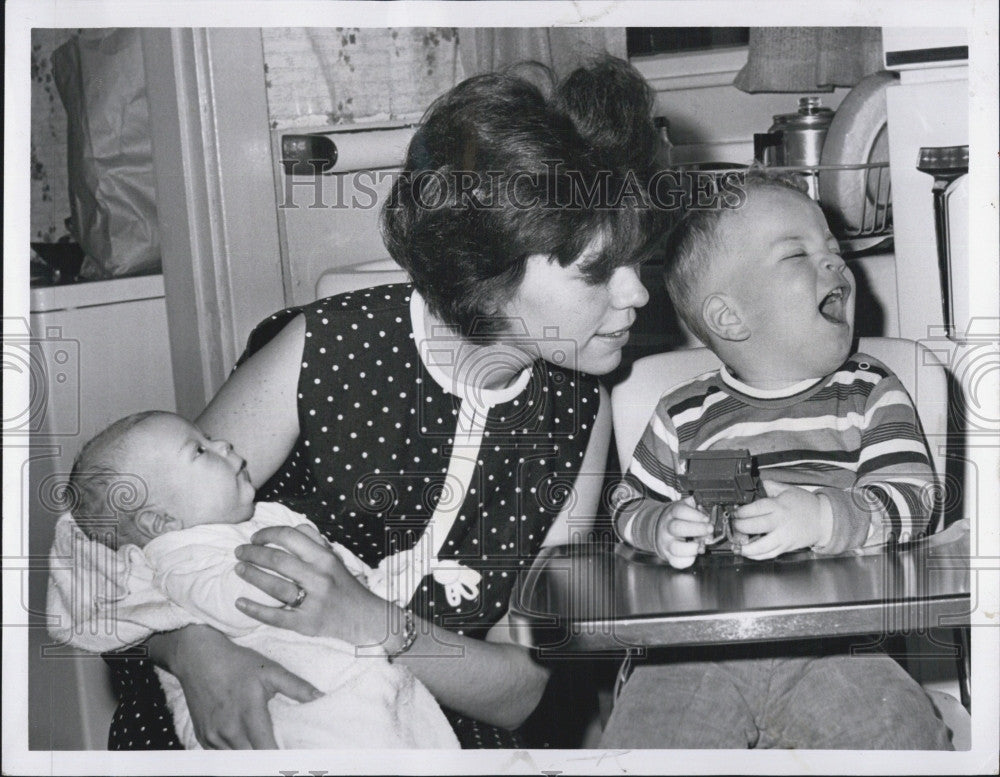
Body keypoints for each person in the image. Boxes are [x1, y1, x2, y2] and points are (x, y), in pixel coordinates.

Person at [101, 55, 670, 749]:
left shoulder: (582, 408)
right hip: (237, 726)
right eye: (599, 272)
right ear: (489, 272)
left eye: (637, 259)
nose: (637, 293)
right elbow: (112, 543)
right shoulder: (326, 349)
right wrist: (194, 653)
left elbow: (523, 690)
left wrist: (373, 622)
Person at [601, 171, 954, 749]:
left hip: (837, 648)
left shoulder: (871, 392)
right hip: (694, 653)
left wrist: (823, 518)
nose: (836, 265)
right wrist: (658, 525)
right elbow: (625, 506)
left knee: (905, 739)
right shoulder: (681, 414)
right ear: (729, 318)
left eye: (834, 252)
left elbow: (917, 502)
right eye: (798, 253)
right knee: (639, 749)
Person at [48, 410, 460, 749]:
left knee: (418, 732)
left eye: (209, 437)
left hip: (357, 667)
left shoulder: (258, 516)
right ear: (162, 521)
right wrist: (295, 571)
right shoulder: (176, 556)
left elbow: (343, 574)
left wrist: (386, 578)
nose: (223, 445)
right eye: (199, 450)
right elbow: (227, 603)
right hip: (289, 706)